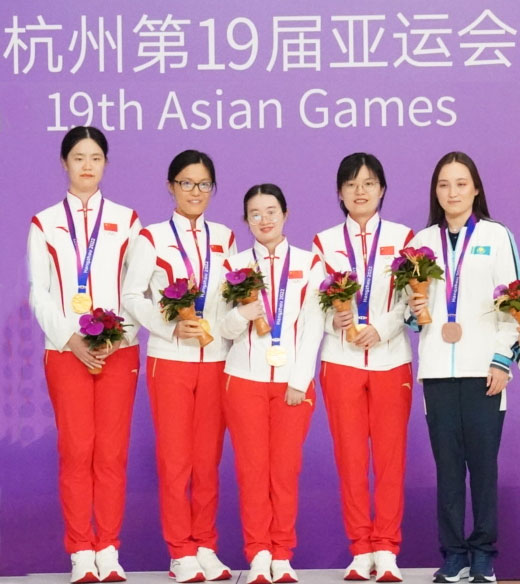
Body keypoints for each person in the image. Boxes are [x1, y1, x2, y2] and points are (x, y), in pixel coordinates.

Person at [27, 126, 141, 583]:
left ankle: (108, 549)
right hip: (65, 352)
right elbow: (39, 292)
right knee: (76, 452)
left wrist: (119, 335)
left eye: (95, 157)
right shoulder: (44, 222)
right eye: (79, 157)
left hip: (118, 351)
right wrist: (70, 339)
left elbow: (136, 290)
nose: (87, 165)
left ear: (106, 163)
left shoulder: (127, 220)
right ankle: (81, 551)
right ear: (64, 163)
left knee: (111, 453)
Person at [122, 150, 235, 583]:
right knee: (176, 460)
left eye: (204, 184)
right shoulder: (150, 237)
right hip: (170, 360)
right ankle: (180, 551)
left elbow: (230, 297)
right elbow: (132, 297)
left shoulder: (224, 237)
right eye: (186, 183)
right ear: (171, 186)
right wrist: (169, 325)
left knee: (208, 460)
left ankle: (205, 543)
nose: (195, 191)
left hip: (216, 359)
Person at [407, 152, 518, 584]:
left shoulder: (496, 236)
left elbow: (515, 301)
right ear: (435, 192)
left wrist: (503, 360)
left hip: (484, 371)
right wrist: (414, 310)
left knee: (484, 469)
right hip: (437, 371)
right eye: (443, 184)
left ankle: (484, 554)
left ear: (475, 188)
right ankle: (453, 554)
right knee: (448, 471)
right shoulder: (422, 242)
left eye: (460, 183)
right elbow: (409, 314)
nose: (452, 192)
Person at [312, 153, 414, 582]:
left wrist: (384, 328)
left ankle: (386, 548)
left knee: (390, 459)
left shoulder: (404, 237)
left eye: (369, 183)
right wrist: (332, 321)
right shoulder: (323, 243)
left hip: (391, 360)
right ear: (340, 192)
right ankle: (360, 549)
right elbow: (311, 304)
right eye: (351, 184)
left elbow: (413, 299)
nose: (360, 191)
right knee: (351, 459)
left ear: (382, 189)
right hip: (341, 361)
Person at [220, 184, 324, 584]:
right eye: (255, 213)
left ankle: (282, 553)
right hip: (243, 380)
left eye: (271, 211)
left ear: (285, 214)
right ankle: (258, 554)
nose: (264, 220)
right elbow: (222, 328)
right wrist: (242, 314)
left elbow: (313, 326)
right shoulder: (234, 264)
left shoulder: (309, 263)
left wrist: (299, 379)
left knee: (284, 471)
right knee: (251, 472)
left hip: (291, 385)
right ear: (245, 220)